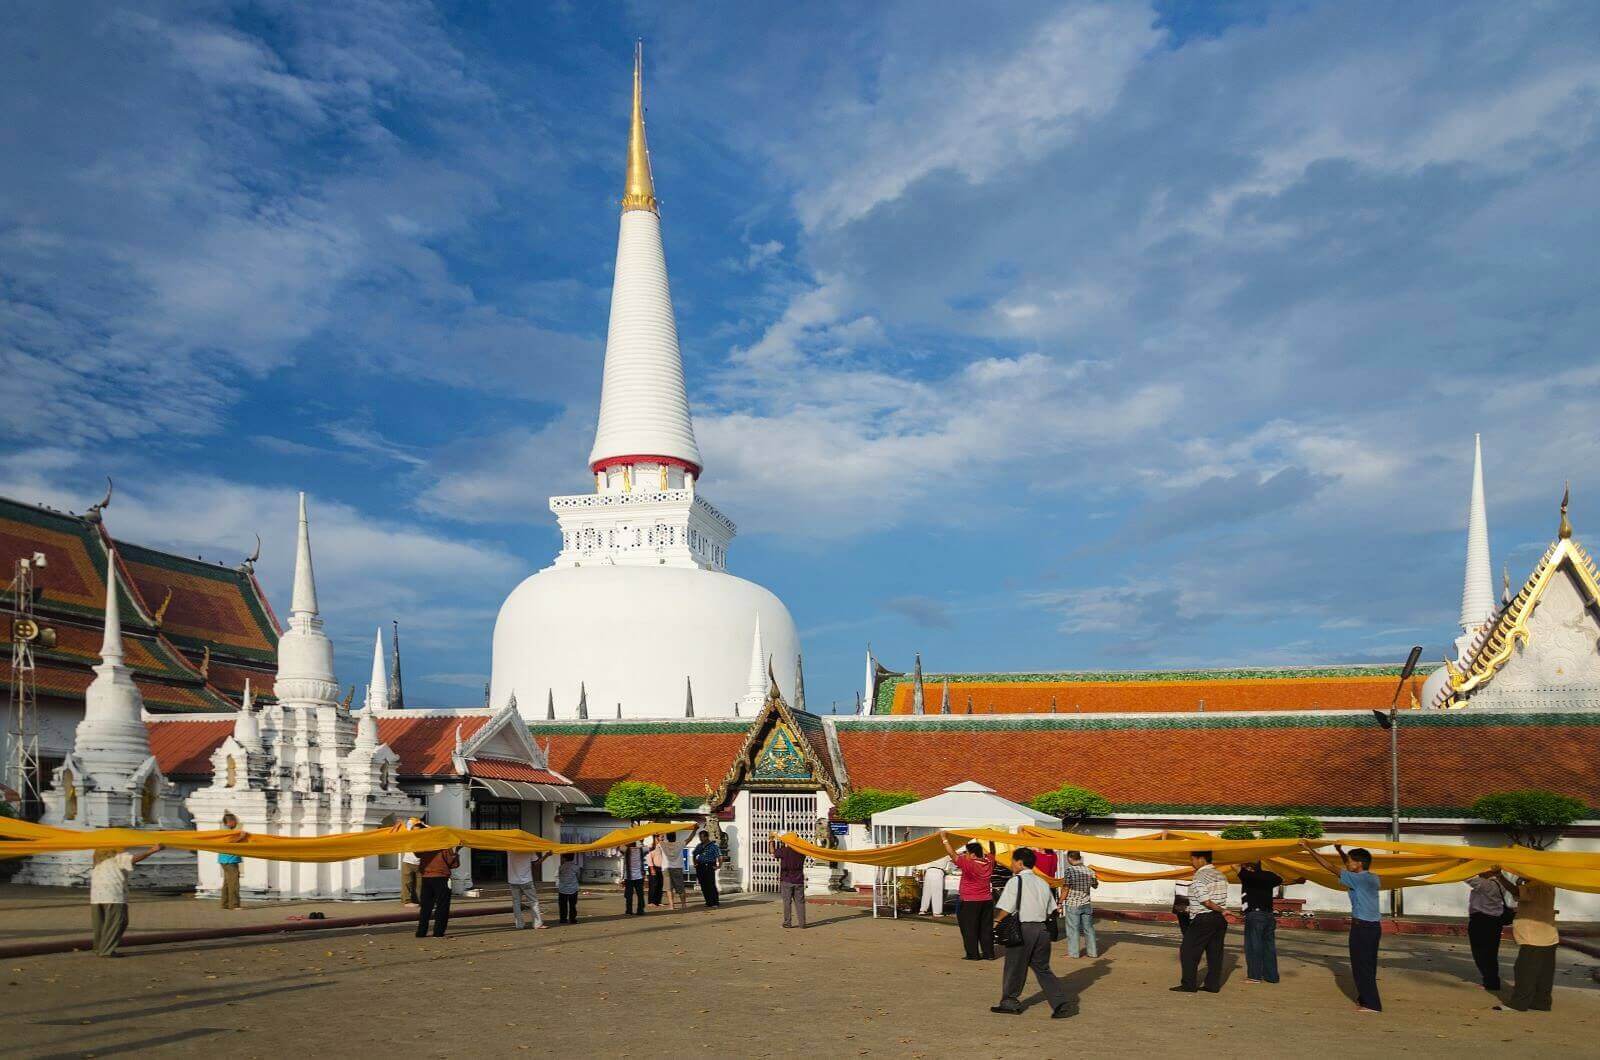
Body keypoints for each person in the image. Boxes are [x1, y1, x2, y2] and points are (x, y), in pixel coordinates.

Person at [991, 848, 1072, 1018]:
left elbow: (1006, 907)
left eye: (1013, 861)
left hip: (1023, 929)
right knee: (1043, 968)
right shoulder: (1042, 882)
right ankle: (1060, 1002)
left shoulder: (1015, 882)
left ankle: (1009, 1001)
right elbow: (1052, 909)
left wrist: (996, 922)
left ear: (1020, 863)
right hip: (1042, 930)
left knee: (1014, 967)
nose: (1011, 865)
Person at [1304, 842, 1382, 1012]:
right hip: (1373, 927)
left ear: (1359, 864)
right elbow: (1346, 867)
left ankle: (1372, 1004)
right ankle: (1365, 998)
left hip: (1362, 927)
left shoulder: (1357, 879)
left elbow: (1329, 867)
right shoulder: (1373, 877)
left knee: (1361, 965)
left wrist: (1310, 850)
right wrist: (1339, 850)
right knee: (1368, 964)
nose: (1348, 864)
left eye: (1351, 861)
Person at [1496, 872, 1558, 1013]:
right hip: (1549, 935)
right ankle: (1541, 1002)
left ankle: (1519, 1003)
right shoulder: (1548, 882)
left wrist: (1499, 876)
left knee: (1524, 971)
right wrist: (1521, 883)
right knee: (1544, 973)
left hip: (1534, 937)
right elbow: (1521, 896)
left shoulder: (1536, 884)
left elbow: (1516, 892)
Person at [90, 844, 161, 957]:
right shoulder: (119, 857)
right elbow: (134, 859)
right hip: (113, 895)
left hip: (96, 896)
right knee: (117, 922)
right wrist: (151, 851)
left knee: (101, 924)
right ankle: (106, 950)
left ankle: (99, 948)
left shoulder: (98, 861)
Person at [1172, 850, 1228, 993]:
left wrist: (1221, 910)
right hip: (1219, 920)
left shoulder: (1199, 877)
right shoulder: (1220, 874)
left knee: (1188, 951)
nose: (1192, 863)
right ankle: (1212, 985)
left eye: (1193, 859)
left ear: (1201, 859)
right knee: (1215, 953)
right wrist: (1222, 911)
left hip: (1204, 918)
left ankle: (1189, 985)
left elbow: (1207, 902)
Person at [941, 833, 997, 961]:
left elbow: (952, 854)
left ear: (972, 854)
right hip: (986, 900)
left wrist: (944, 839)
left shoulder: (969, 864)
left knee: (969, 928)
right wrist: (991, 839)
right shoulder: (988, 862)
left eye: (967, 853)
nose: (965, 855)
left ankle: (973, 954)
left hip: (970, 901)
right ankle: (989, 953)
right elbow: (993, 853)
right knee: (986, 928)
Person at [1237, 860, 1283, 984]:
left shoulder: (1248, 876)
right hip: (1268, 915)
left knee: (1253, 945)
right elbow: (1280, 879)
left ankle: (1254, 976)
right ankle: (1272, 976)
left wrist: (1240, 861)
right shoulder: (1269, 876)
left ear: (1249, 867)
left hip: (1255, 915)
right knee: (1269, 947)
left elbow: (1234, 866)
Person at [1466, 869, 1510, 991]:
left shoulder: (1486, 884)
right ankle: (1491, 980)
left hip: (1481, 921)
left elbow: (1467, 876)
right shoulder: (1500, 884)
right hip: (1494, 921)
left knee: (1480, 952)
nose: (1479, 872)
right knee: (1491, 952)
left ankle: (1490, 981)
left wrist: (1462, 865)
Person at [415, 845, 460, 939]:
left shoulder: (424, 846)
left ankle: (421, 932)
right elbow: (453, 864)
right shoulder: (445, 846)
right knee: (442, 906)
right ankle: (438, 932)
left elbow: (417, 854)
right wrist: (456, 852)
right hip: (441, 877)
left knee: (425, 907)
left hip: (426, 878)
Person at [1059, 851, 1098, 959]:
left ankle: (1073, 953)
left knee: (1073, 929)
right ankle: (1092, 952)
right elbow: (1095, 885)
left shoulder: (1070, 871)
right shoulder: (1089, 870)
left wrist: (1060, 902)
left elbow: (1066, 888)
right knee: (1089, 929)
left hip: (1073, 904)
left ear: (1070, 858)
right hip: (1086, 903)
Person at [507, 850, 549, 930]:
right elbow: (536, 864)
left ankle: (519, 925)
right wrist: (546, 855)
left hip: (513, 881)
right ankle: (537, 924)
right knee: (533, 902)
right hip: (526, 881)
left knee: (516, 903)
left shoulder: (510, 850)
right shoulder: (529, 850)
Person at [774, 837, 807, 928]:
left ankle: (787, 923)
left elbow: (772, 851)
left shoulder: (784, 851)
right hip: (799, 880)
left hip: (787, 880)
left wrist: (771, 841)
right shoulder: (802, 852)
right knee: (800, 902)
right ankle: (802, 923)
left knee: (787, 902)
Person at [218, 813, 244, 910]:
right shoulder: (227, 832)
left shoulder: (227, 831)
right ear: (229, 822)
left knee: (227, 883)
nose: (236, 823)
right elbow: (228, 843)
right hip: (229, 860)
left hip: (226, 859)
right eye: (235, 821)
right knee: (234, 883)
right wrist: (241, 837)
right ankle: (234, 905)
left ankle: (225, 904)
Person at [693, 829, 722, 909]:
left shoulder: (713, 846)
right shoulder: (699, 846)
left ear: (706, 837)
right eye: (700, 837)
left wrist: (719, 866)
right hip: (700, 866)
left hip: (709, 866)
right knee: (703, 885)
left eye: (702, 837)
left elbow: (720, 856)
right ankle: (708, 902)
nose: (701, 839)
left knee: (711, 884)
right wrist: (695, 863)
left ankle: (715, 902)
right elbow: (695, 854)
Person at [399, 817, 424, 908]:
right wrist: (416, 821)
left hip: (420, 863)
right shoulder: (409, 835)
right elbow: (409, 824)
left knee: (420, 885)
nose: (417, 831)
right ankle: (407, 901)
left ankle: (419, 900)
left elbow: (429, 829)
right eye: (415, 828)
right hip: (408, 862)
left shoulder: (425, 837)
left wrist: (422, 824)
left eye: (419, 829)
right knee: (407, 882)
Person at [659, 831, 687, 911]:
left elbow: (657, 839)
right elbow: (689, 839)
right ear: (675, 837)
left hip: (666, 868)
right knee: (681, 887)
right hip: (678, 867)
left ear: (667, 837)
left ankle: (672, 906)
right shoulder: (680, 844)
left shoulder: (662, 844)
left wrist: (656, 833)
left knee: (669, 888)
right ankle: (683, 904)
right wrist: (694, 830)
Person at [619, 841, 647, 915]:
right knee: (640, 894)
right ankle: (640, 910)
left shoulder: (625, 849)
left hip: (629, 876)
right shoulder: (641, 849)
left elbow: (619, 846)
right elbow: (651, 847)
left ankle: (629, 910)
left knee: (629, 895)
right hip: (639, 876)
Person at [556, 852, 582, 924]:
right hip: (573, 889)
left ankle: (563, 919)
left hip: (562, 889)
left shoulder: (561, 867)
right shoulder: (576, 867)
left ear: (564, 858)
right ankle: (572, 919)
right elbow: (578, 876)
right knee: (572, 905)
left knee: (562, 905)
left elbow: (559, 876)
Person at [646, 838, 665, 907]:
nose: (662, 839)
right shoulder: (652, 847)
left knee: (660, 885)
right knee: (653, 885)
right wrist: (651, 868)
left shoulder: (663, 847)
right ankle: (651, 901)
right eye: (661, 837)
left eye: (663, 837)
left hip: (661, 868)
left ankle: (658, 901)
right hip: (653, 867)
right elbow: (649, 857)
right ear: (656, 838)